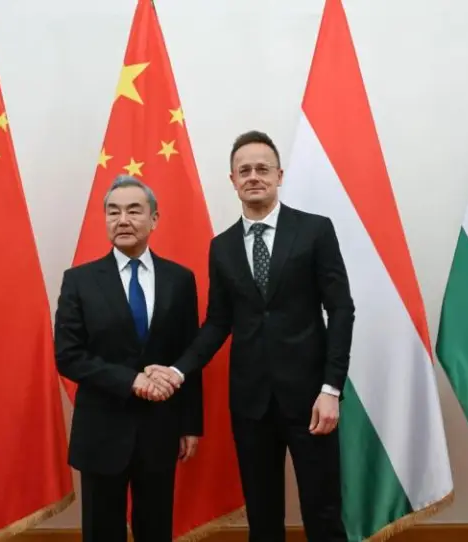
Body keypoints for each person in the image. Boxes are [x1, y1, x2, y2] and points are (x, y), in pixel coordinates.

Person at [148, 130, 355, 542]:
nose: (254, 176)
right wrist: (177, 370)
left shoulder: (315, 231)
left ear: (280, 175)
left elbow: (341, 309)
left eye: (263, 168)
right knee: (261, 514)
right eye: (245, 170)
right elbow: (217, 324)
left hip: (312, 399)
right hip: (250, 403)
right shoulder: (221, 247)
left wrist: (331, 388)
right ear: (233, 180)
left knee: (323, 508)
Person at [54, 175, 203, 542]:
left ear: (154, 219)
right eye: (113, 211)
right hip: (102, 429)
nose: (122, 219)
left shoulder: (180, 279)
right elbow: (68, 356)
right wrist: (130, 380)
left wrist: (190, 424)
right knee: (102, 531)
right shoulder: (79, 281)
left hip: (161, 428)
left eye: (134, 210)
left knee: (155, 528)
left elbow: (190, 355)